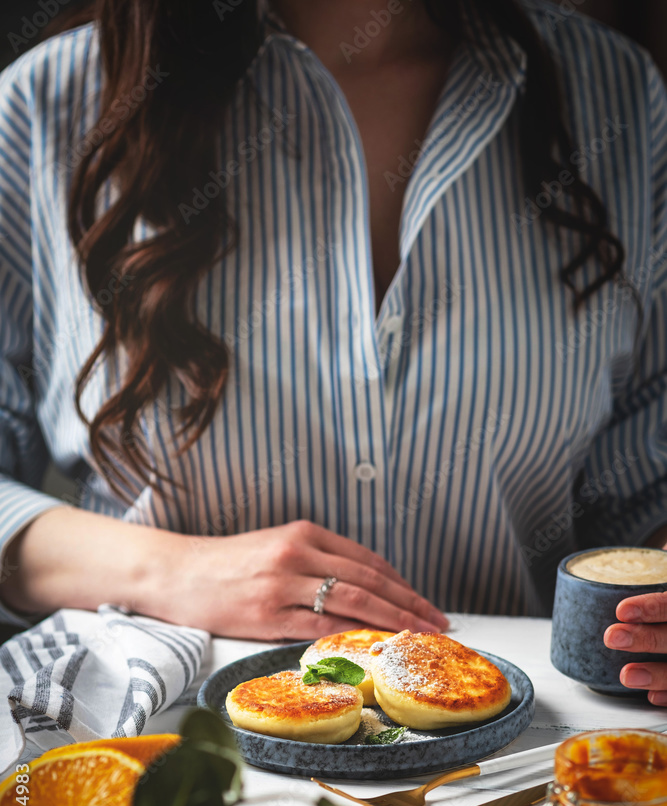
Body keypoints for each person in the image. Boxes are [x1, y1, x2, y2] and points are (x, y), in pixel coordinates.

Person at [0, 0, 666, 704]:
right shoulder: (44, 108)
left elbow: (642, 473)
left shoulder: (614, 92)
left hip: (522, 774)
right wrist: (166, 569)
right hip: (173, 764)